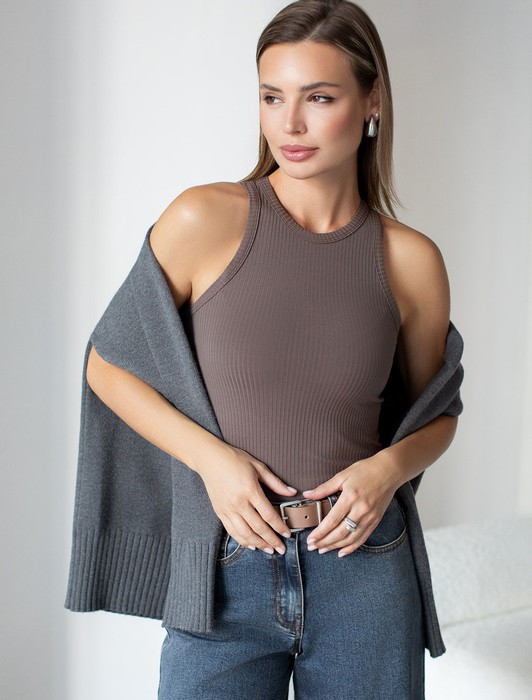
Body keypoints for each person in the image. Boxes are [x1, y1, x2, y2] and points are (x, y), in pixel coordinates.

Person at [65, 1, 464, 698]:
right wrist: (212, 462)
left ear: (372, 101)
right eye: (272, 97)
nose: (290, 124)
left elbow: (435, 416)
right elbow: (109, 364)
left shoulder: (411, 261)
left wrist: (387, 471)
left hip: (364, 567)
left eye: (319, 98)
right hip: (226, 571)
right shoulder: (205, 218)